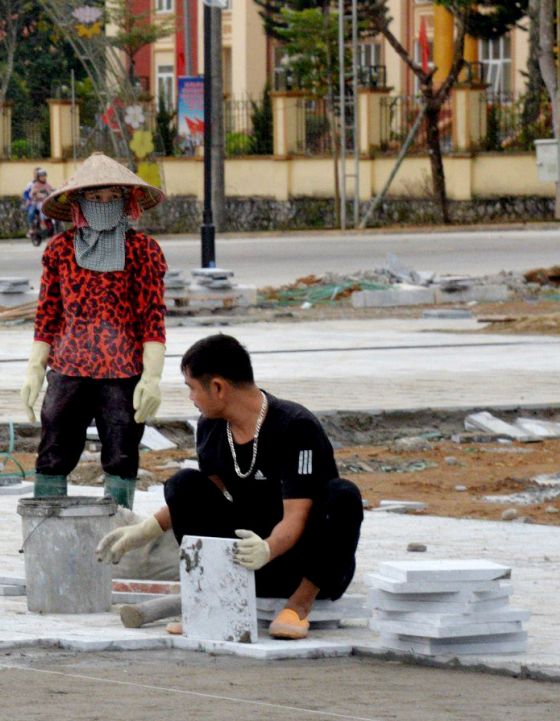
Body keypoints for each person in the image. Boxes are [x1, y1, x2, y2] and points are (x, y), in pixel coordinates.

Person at [97, 333, 365, 640]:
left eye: (192, 388)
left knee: (342, 495)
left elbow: (296, 517)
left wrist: (267, 548)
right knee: (183, 484)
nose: (191, 398)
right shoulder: (211, 427)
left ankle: (297, 608)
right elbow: (199, 497)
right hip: (250, 562)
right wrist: (144, 531)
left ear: (218, 387)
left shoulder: (295, 426)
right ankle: (212, 601)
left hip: (306, 563)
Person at [19, 153, 167, 514]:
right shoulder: (59, 251)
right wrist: (35, 369)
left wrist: (152, 377)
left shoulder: (142, 251)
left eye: (112, 196)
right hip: (69, 367)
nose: (103, 204)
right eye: (95, 198)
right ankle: (46, 524)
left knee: (121, 452)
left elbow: (152, 318)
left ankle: (117, 530)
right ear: (78, 203)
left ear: (126, 200)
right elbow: (48, 314)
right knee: (53, 449)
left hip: (122, 370)